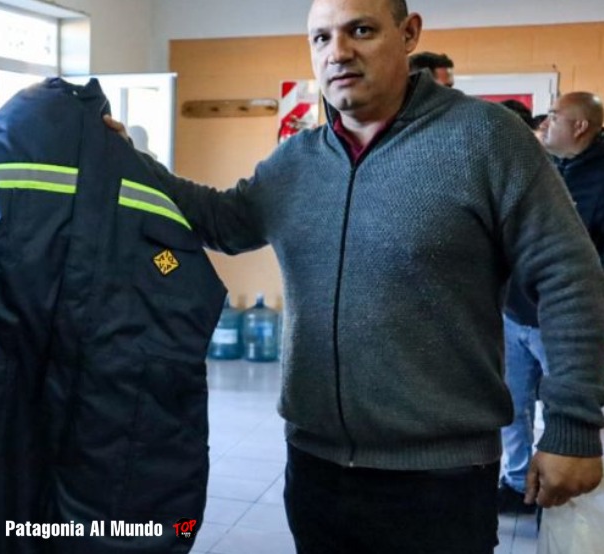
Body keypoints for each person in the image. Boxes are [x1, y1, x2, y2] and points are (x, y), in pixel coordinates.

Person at [108, 0, 604, 552]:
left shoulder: (486, 139)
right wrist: (125, 159)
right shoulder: (297, 160)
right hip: (315, 468)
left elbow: (570, 274)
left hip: (440, 480)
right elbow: (221, 220)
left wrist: (574, 427)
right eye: (320, 38)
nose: (338, 52)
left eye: (360, 30)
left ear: (408, 34)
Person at [499, 91, 604, 514]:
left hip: (563, 324)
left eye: (554, 116)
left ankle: (558, 486)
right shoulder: (539, 167)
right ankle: (516, 483)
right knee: (512, 405)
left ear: (580, 126)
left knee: (564, 407)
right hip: (515, 314)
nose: (544, 122)